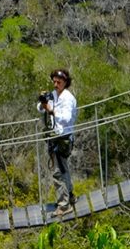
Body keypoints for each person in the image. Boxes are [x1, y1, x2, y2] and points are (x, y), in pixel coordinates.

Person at [36, 68, 78, 217]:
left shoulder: (68, 98)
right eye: (54, 81)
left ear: (65, 82)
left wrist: (51, 110)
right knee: (63, 169)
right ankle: (70, 196)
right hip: (55, 137)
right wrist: (43, 103)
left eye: (58, 82)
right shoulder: (54, 95)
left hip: (63, 138)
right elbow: (41, 109)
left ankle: (64, 205)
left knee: (58, 173)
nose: (55, 84)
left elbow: (66, 118)